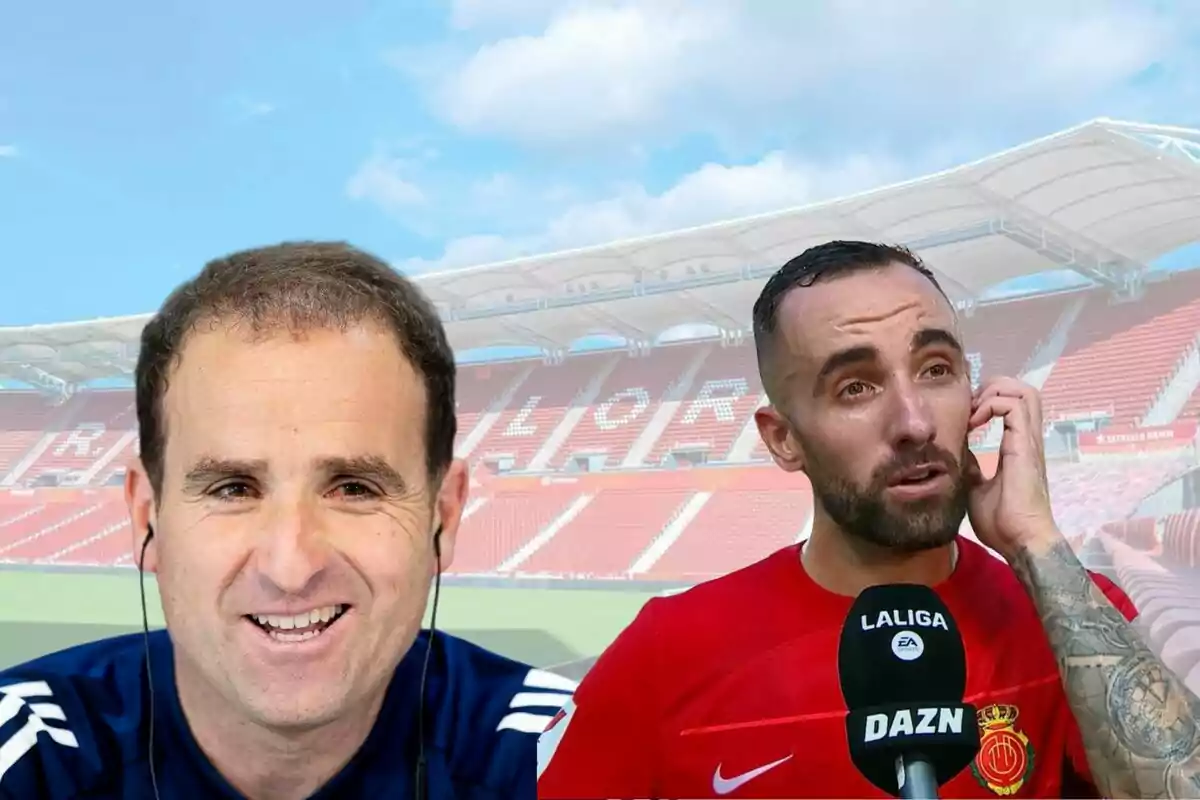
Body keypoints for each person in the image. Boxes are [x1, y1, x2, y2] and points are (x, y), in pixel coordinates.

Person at [537, 240, 1200, 799]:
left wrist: (1033, 542)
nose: (914, 423)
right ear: (782, 438)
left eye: (936, 369)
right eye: (855, 387)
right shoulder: (667, 653)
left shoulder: (1068, 618)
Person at [0, 242, 572, 799]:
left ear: (442, 518)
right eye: (232, 488)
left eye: (354, 488)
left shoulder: (563, 752)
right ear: (147, 518)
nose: (291, 567)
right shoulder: (31, 748)